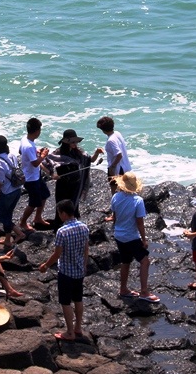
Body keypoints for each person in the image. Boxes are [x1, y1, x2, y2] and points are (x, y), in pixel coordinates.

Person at [39, 200, 90, 341]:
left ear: (64, 213)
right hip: (79, 270)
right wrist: (84, 264)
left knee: (66, 302)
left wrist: (45, 266)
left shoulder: (62, 231)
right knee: (78, 299)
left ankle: (69, 332)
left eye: (59, 213)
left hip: (66, 272)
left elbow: (57, 254)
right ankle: (78, 327)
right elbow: (86, 249)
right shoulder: (84, 227)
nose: (59, 216)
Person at [110, 172, 159, 303]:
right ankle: (144, 292)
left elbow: (114, 217)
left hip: (119, 235)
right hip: (131, 236)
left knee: (125, 262)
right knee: (145, 261)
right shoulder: (137, 201)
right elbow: (140, 222)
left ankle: (123, 289)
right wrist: (144, 239)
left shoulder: (115, 197)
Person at [46, 129, 102, 219]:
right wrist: (52, 174)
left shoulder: (78, 152)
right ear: (66, 142)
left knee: (73, 206)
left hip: (75, 184)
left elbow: (90, 160)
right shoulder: (58, 153)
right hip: (63, 185)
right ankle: (59, 227)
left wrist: (97, 153)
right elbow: (45, 162)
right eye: (72, 142)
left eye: (76, 142)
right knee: (62, 206)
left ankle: (74, 225)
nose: (75, 144)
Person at [0, 135, 26, 251]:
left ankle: (19, 233)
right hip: (17, 189)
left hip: (7, 192)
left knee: (2, 216)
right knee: (8, 214)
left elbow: (1, 181)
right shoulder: (12, 156)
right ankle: (7, 240)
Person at [18, 118, 51, 232]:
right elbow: (35, 163)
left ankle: (38, 218)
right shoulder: (29, 146)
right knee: (33, 202)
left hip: (36, 176)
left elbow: (20, 151)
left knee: (45, 194)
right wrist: (43, 155)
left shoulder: (25, 139)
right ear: (37, 131)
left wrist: (36, 152)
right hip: (31, 178)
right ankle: (22, 222)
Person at [96, 115, 131, 182]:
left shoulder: (110, 140)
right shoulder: (117, 133)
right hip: (126, 166)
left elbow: (119, 155)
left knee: (115, 190)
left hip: (118, 170)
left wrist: (112, 167)